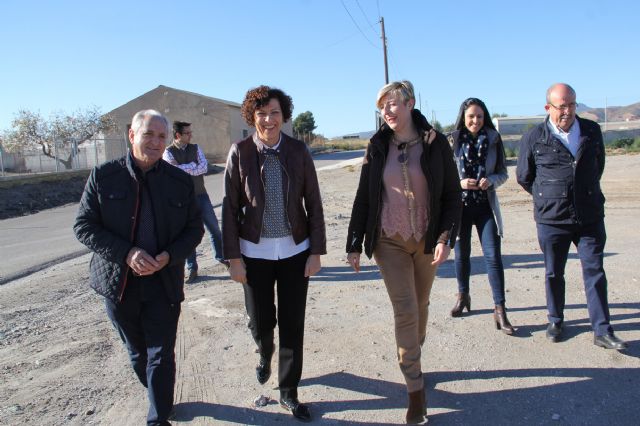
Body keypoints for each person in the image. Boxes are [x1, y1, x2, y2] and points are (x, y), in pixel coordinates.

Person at [74, 109, 204, 425]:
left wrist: (168, 257)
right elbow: (84, 226)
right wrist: (128, 253)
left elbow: (194, 230)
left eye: (161, 136)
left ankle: (158, 416)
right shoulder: (104, 177)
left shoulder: (180, 181)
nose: (156, 142)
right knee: (139, 354)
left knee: (161, 353)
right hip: (118, 284)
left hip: (163, 282)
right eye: (148, 134)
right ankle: (159, 396)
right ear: (132, 135)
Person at [346, 81, 461, 424]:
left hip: (426, 239)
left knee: (421, 305)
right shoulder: (377, 144)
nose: (389, 112)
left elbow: (453, 196)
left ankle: (414, 353)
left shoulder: (435, 143)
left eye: (394, 104)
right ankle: (415, 390)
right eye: (383, 107)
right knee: (406, 308)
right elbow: (364, 196)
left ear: (410, 103)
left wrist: (444, 238)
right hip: (388, 239)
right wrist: (354, 243)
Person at [222, 85, 326, 422]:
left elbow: (314, 201)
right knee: (262, 320)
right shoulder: (240, 152)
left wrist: (316, 251)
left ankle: (288, 392)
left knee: (293, 323)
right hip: (254, 252)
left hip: (296, 250)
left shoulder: (298, 151)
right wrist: (233, 258)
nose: (269, 119)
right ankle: (264, 351)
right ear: (252, 117)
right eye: (262, 113)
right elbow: (229, 207)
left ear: (284, 116)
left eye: (275, 113)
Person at [516, 83, 627, 350]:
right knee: (554, 272)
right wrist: (550, 195)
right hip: (552, 219)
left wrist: (582, 191)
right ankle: (555, 321)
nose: (567, 111)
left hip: (589, 215)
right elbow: (524, 177)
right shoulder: (534, 137)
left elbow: (597, 167)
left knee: (595, 271)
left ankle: (602, 330)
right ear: (548, 108)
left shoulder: (591, 130)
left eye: (572, 105)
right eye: (561, 106)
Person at [448, 98, 514, 334]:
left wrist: (491, 181)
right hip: (461, 207)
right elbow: (443, 177)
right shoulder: (452, 141)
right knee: (461, 255)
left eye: (479, 117)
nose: (475, 121)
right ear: (463, 118)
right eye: (471, 117)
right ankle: (463, 296)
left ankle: (500, 310)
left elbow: (503, 173)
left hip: (485, 207)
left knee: (493, 256)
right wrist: (460, 183)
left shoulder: (494, 140)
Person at [163, 121, 227, 283]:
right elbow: (173, 170)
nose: (191, 135)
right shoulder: (168, 152)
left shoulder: (196, 148)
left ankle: (222, 257)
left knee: (214, 228)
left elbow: (204, 168)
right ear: (178, 135)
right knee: (188, 234)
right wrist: (193, 166)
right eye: (187, 133)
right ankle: (192, 267)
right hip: (182, 201)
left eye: (191, 132)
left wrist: (185, 167)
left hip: (201, 195)